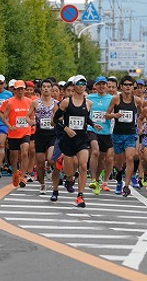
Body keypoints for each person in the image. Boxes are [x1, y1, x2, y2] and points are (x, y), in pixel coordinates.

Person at [53, 75, 98, 207]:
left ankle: (80, 196)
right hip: (68, 139)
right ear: (74, 85)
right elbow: (56, 120)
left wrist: (94, 124)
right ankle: (67, 175)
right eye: (78, 83)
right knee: (69, 172)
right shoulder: (67, 102)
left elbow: (86, 119)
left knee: (83, 165)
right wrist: (66, 128)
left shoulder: (88, 103)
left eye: (83, 83)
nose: (81, 85)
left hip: (82, 139)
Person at [106, 75, 145, 197]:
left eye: (130, 85)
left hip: (130, 134)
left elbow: (143, 113)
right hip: (117, 134)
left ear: (133, 87)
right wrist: (114, 115)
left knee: (130, 158)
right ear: (121, 87)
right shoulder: (116, 99)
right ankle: (119, 178)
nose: (128, 87)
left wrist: (140, 124)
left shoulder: (137, 100)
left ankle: (126, 185)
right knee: (118, 162)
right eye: (125, 85)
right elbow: (106, 115)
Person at [27, 79, 59, 195]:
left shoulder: (56, 103)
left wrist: (54, 122)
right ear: (41, 89)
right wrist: (30, 122)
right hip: (39, 134)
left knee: (51, 158)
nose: (46, 89)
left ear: (51, 90)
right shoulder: (35, 102)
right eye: (44, 87)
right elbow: (27, 116)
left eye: (48, 87)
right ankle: (42, 184)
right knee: (39, 163)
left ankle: (49, 166)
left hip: (52, 134)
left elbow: (58, 119)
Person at [0, 79, 33, 188]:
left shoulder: (29, 102)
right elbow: (3, 116)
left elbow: (33, 115)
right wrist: (9, 126)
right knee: (14, 157)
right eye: (18, 89)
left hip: (25, 132)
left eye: (22, 89)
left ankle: (23, 176)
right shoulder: (9, 102)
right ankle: (15, 172)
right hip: (13, 133)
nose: (20, 91)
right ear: (14, 90)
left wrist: (32, 123)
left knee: (24, 152)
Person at [87, 76, 114, 195]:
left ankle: (97, 180)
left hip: (106, 131)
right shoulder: (89, 98)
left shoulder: (112, 99)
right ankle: (92, 179)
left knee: (102, 159)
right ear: (95, 86)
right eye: (99, 84)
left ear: (107, 86)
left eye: (104, 84)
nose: (101, 86)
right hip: (92, 129)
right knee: (95, 152)